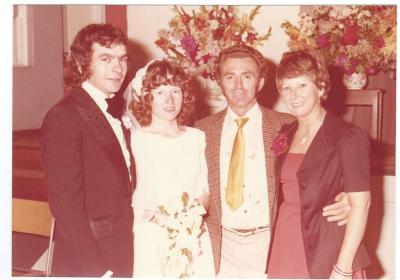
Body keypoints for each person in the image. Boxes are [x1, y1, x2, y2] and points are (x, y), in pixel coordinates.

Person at [195, 45, 352, 278]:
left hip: (272, 245)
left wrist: (347, 197)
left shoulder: (288, 126)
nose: (238, 85)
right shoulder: (201, 131)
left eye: (247, 76)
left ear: (260, 82)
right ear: (220, 82)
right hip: (219, 247)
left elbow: (328, 165)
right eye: (230, 76)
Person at [41, 24, 135, 277]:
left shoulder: (114, 111)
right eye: (106, 59)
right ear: (82, 64)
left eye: (122, 59)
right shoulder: (65, 116)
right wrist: (98, 271)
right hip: (89, 260)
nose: (118, 68)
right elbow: (66, 207)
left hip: (121, 247)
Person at [267, 50, 371, 279]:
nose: (294, 95)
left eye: (302, 86)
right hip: (286, 243)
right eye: (287, 88)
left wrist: (342, 268)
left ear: (321, 88)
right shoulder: (285, 133)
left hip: (329, 250)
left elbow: (361, 207)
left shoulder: (348, 137)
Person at [127, 59, 215, 277]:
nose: (169, 100)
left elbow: (205, 189)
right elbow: (130, 193)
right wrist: (164, 221)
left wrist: (189, 221)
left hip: (192, 233)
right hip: (151, 233)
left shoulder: (197, 138)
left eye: (175, 91)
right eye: (160, 92)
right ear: (147, 97)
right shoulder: (136, 140)